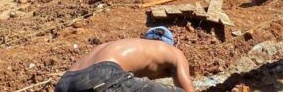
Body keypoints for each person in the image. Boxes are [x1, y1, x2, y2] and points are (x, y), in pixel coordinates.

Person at [55, 27, 194, 92]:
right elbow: (188, 90)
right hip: (102, 75)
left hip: (64, 83)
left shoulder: (126, 44)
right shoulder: (172, 51)